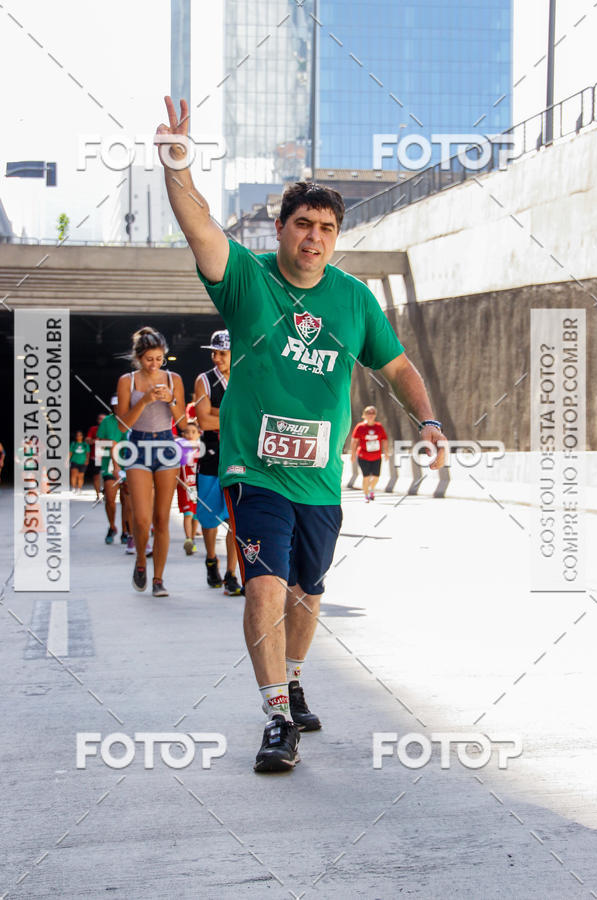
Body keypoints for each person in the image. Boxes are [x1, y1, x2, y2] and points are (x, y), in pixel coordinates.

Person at [158, 97, 446, 773]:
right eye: (302, 224)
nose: (313, 236)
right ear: (280, 229)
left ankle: (291, 674)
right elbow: (201, 228)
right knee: (264, 582)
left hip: (320, 478)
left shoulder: (351, 298)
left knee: (308, 592)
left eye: (325, 227)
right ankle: (276, 715)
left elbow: (397, 364)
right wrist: (177, 167)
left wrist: (427, 419)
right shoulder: (248, 282)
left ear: (335, 237)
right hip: (254, 473)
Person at [116, 326, 185, 598]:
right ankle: (141, 562)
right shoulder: (127, 381)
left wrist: (172, 399)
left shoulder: (173, 378)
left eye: (159, 359)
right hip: (138, 446)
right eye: (149, 360)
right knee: (142, 519)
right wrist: (144, 400)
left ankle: (158, 579)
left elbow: (181, 420)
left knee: (162, 519)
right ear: (138, 358)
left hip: (167, 445)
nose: (154, 365)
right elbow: (122, 426)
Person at [193, 329, 243, 596]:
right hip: (211, 452)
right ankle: (211, 558)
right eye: (213, 353)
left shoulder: (246, 377)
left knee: (238, 520)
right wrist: (233, 418)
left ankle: (232, 573)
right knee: (209, 516)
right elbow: (203, 420)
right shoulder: (204, 381)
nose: (216, 358)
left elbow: (254, 417)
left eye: (222, 353)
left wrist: (217, 413)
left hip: (238, 453)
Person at [96, 397, 132, 545]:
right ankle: (112, 526)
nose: (118, 407)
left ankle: (125, 530)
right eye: (116, 406)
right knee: (110, 499)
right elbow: (99, 443)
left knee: (126, 499)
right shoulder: (107, 421)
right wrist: (112, 444)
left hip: (128, 463)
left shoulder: (131, 419)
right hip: (110, 464)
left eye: (121, 404)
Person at [351, 406, 389, 501]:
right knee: (366, 476)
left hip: (376, 456)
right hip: (363, 456)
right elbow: (354, 441)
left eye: (373, 413)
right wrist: (353, 454)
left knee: (376, 477)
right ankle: (366, 495)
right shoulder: (360, 427)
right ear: (364, 415)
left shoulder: (379, 427)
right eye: (368, 413)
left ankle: (371, 489)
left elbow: (384, 440)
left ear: (375, 415)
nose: (371, 415)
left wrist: (386, 452)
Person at [175, 420, 201, 555]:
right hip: (185, 487)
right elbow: (176, 471)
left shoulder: (200, 450)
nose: (190, 435)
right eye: (187, 432)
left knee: (196, 515)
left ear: (199, 434)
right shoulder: (181, 450)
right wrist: (180, 483)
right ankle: (188, 539)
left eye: (193, 432)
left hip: (197, 487)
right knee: (188, 514)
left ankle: (193, 539)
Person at [86, 414, 107, 503]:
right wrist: (97, 440)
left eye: (103, 419)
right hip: (96, 456)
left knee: (108, 477)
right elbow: (87, 440)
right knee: (96, 477)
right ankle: (98, 495)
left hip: (107, 456)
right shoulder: (93, 429)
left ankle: (107, 494)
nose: (101, 420)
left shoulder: (109, 429)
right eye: (100, 419)